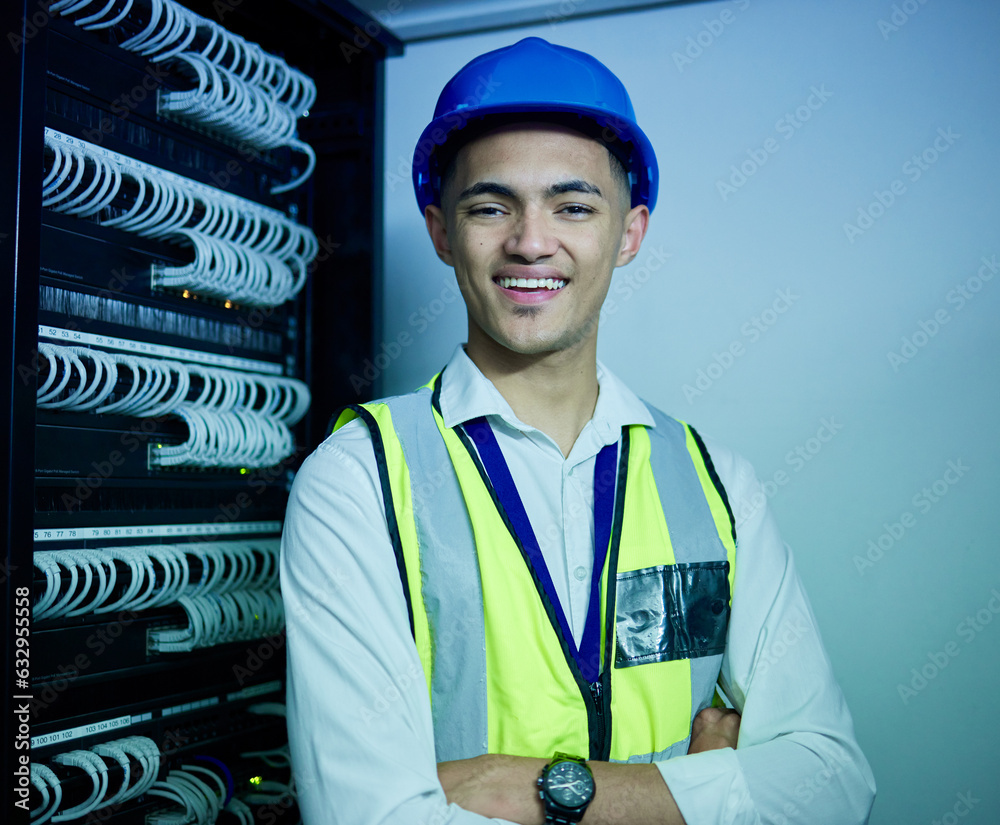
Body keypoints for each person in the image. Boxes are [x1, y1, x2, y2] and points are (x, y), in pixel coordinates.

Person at [280, 37, 876, 825]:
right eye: (491, 206)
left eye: (573, 206)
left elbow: (833, 783)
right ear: (441, 232)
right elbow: (373, 818)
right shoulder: (356, 480)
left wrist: (525, 786)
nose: (531, 241)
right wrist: (694, 794)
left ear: (628, 233)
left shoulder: (718, 483)